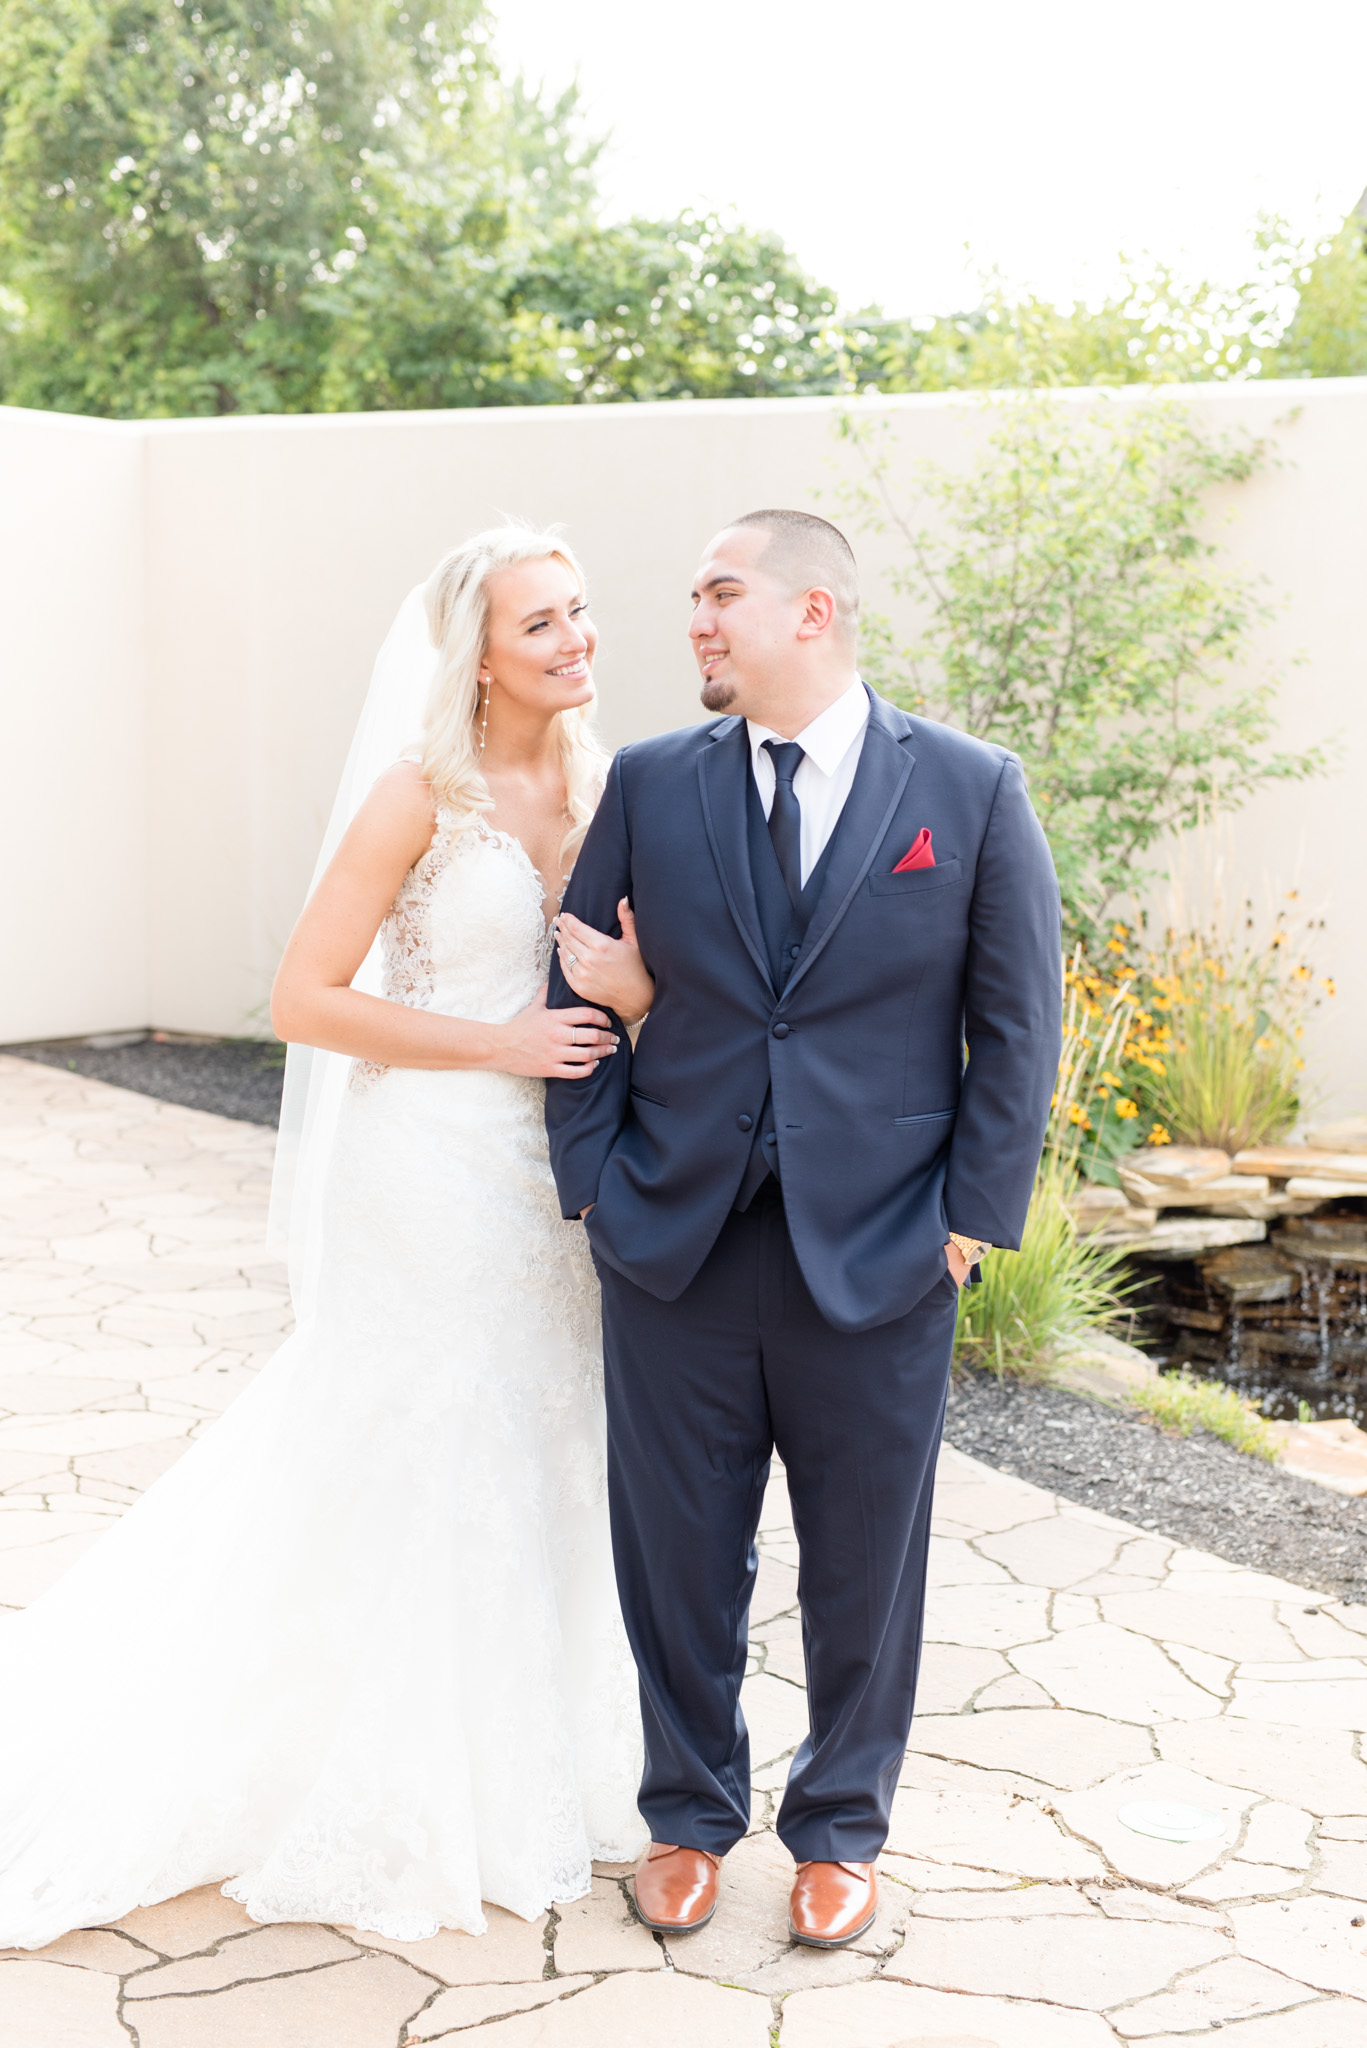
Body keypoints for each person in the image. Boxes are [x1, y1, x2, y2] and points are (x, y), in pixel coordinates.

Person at [0, 524, 653, 1950]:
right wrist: (495, 1042)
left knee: (549, 1436)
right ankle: (412, 1788)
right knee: (436, 1433)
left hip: (558, 1176)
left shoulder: (608, 781)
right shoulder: (416, 797)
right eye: (542, 623)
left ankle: (546, 1757)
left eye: (581, 613)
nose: (576, 640)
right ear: (476, 653)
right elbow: (304, 997)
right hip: (429, 1164)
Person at [546, 509, 1062, 1948]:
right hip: (677, 1242)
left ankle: (840, 1830)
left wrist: (970, 1222)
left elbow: (1017, 1028)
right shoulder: (651, 784)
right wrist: (595, 1182)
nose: (695, 621)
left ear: (812, 610)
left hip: (888, 1250)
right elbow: (576, 990)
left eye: (719, 595)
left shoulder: (966, 790)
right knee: (676, 1553)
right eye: (696, 597)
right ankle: (687, 1818)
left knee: (864, 1564)